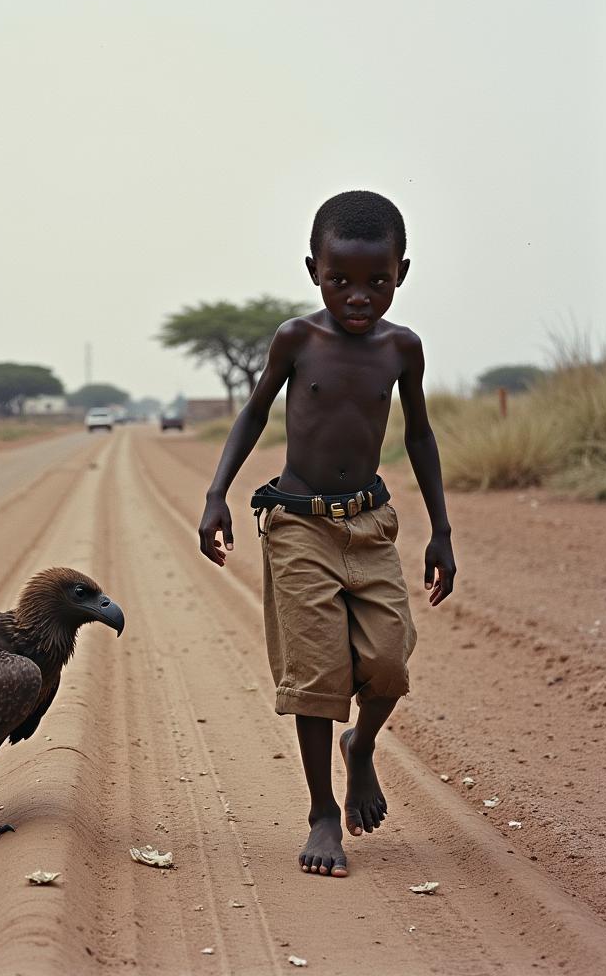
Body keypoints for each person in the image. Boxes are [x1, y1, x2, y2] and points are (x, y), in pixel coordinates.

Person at [198, 190, 456, 879]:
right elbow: (255, 413)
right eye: (341, 279)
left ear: (403, 271)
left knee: (389, 663)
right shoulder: (296, 340)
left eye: (379, 281)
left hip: (369, 525)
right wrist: (217, 494)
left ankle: (361, 747)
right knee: (317, 675)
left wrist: (441, 530)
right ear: (314, 269)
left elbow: (421, 435)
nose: (360, 296)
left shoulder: (403, 349)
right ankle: (321, 813)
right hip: (297, 524)